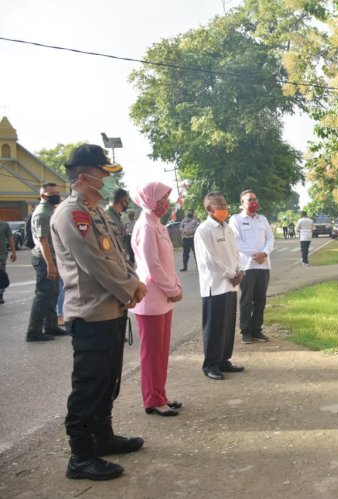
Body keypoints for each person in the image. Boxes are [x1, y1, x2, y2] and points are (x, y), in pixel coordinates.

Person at [52, 144, 147, 480]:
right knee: (89, 386)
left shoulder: (97, 212)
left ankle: (103, 438)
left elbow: (117, 256)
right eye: (101, 175)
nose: (105, 181)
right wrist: (129, 288)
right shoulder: (71, 213)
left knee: (109, 380)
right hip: (91, 313)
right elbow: (93, 262)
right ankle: (80, 456)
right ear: (83, 176)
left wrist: (133, 282)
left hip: (111, 309)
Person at [131, 181, 183, 417]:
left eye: (166, 198)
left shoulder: (157, 224)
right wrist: (172, 289)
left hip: (164, 297)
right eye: (161, 198)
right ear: (149, 199)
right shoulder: (145, 226)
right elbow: (152, 266)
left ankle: (160, 394)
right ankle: (152, 399)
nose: (165, 203)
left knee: (161, 351)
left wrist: (175, 286)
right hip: (152, 297)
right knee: (152, 353)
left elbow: (168, 263)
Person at [194, 192, 244, 380]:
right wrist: (231, 274)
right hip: (214, 286)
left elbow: (236, 252)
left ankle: (224, 360)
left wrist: (240, 270)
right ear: (209, 208)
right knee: (214, 326)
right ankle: (211, 364)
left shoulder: (227, 228)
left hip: (231, 285)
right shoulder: (204, 230)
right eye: (220, 205)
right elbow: (209, 260)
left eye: (225, 204)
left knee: (228, 325)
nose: (225, 208)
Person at [229, 189, 273, 343]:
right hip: (247, 266)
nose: (253, 202)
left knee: (260, 300)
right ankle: (245, 331)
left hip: (264, 266)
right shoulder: (236, 219)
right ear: (242, 202)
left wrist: (264, 254)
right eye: (249, 199)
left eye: (255, 199)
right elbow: (236, 241)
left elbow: (270, 239)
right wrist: (256, 255)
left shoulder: (263, 219)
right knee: (246, 300)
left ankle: (256, 330)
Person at [26, 182, 67, 341]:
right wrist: (50, 265)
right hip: (45, 259)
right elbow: (43, 241)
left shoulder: (51, 210)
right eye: (53, 193)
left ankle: (50, 326)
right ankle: (33, 331)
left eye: (58, 192)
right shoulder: (43, 213)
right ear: (43, 196)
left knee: (53, 292)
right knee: (43, 294)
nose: (57, 195)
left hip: (53, 258)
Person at [0, 217, 17, 304]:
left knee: (1, 274)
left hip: (1, 255)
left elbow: (10, 238)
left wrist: (13, 252)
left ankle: (0, 294)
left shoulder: (4, 225)